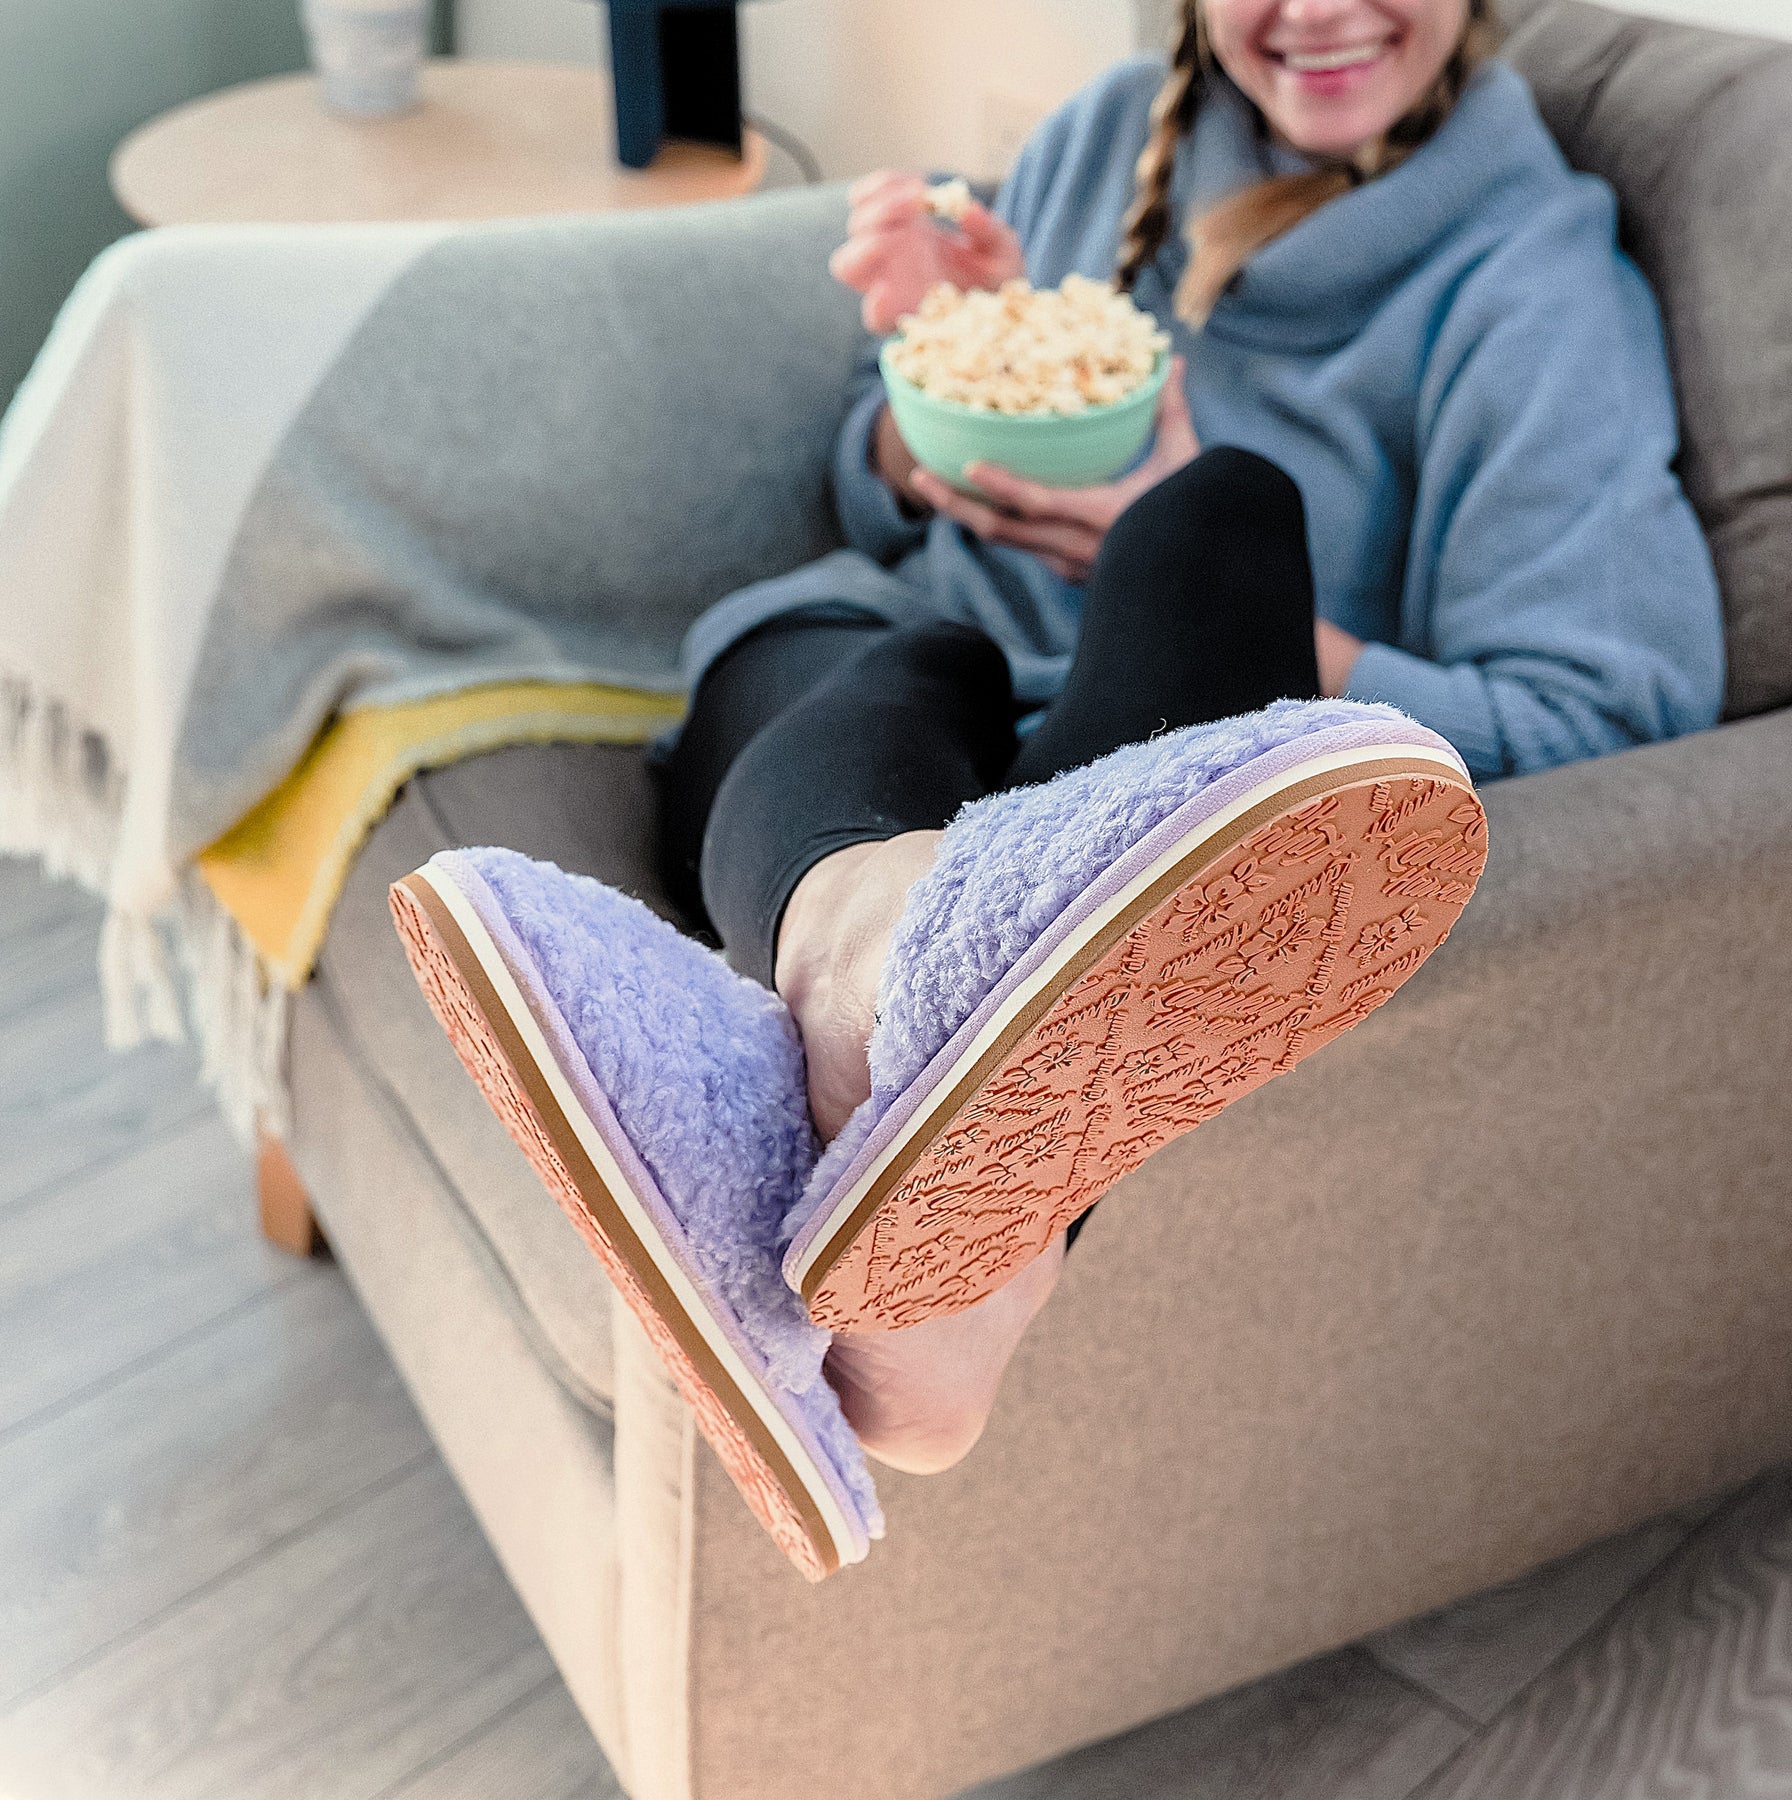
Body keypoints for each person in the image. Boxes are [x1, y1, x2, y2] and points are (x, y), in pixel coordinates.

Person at [394, 0, 1725, 1577]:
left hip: (1118, 783)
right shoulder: (1108, 134)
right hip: (864, 731)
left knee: (1223, 515)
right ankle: (886, 999)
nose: (1316, 11)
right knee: (887, 654)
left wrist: (1143, 536)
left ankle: (909, 1078)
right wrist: (932, 399)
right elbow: (873, 495)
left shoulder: (1534, 283)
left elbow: (1611, 702)